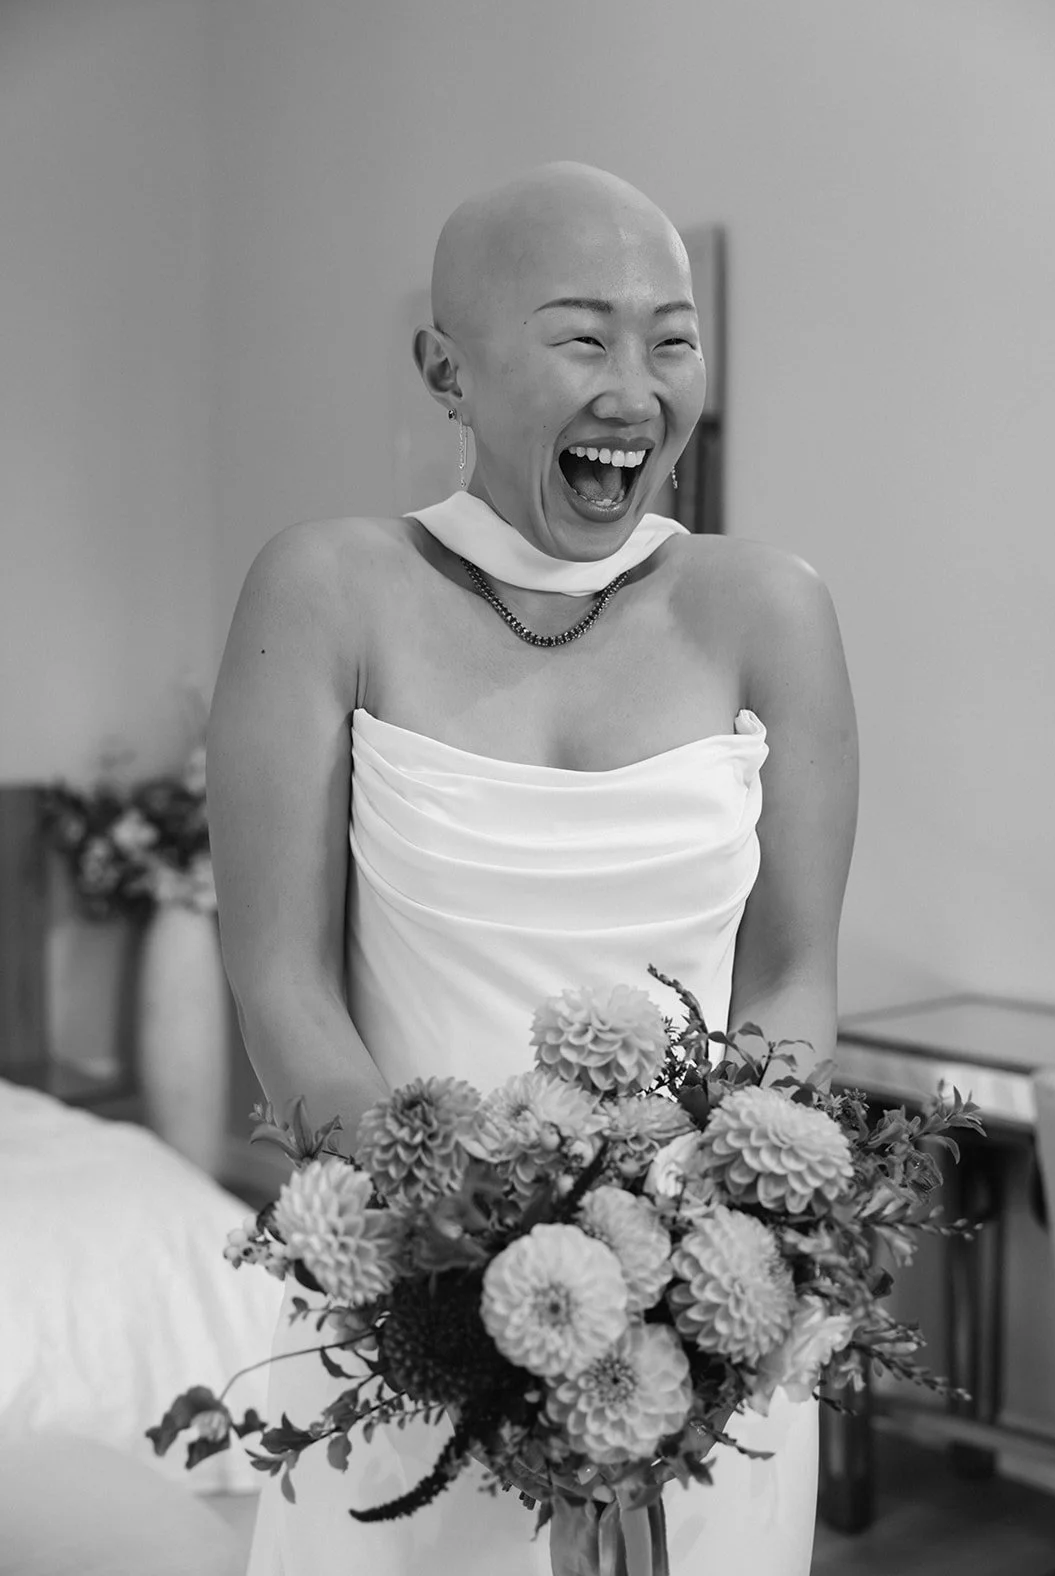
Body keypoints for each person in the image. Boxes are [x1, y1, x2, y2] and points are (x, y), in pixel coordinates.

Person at [208, 160, 859, 1576]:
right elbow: (276, 975)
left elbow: (795, 968)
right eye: (582, 337)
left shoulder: (771, 612)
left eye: (671, 338)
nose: (636, 384)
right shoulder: (326, 588)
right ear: (446, 369)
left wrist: (710, 1266)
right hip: (409, 1314)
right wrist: (458, 1285)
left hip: (691, 1341)